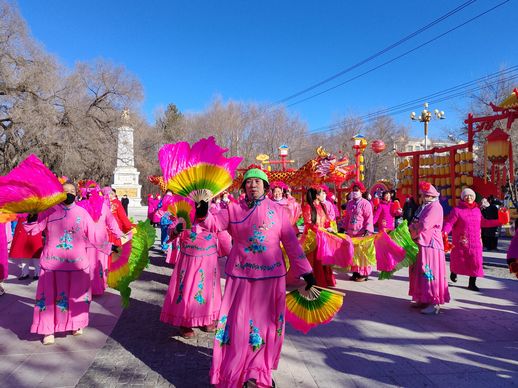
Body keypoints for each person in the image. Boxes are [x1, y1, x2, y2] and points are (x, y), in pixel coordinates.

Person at [209, 168, 315, 388]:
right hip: (241, 276)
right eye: (249, 182)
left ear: (266, 186)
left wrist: (306, 270)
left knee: (266, 325)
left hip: (271, 277)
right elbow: (212, 224)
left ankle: (258, 374)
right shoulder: (233, 209)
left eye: (257, 181)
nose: (253, 185)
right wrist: (202, 210)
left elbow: (291, 243)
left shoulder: (278, 211)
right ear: (243, 187)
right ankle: (236, 370)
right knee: (238, 323)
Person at [25, 182, 98, 345]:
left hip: (77, 263)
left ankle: (76, 324)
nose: (69, 194)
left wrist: (114, 246)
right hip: (52, 262)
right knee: (49, 298)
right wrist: (32, 214)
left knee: (76, 297)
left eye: (72, 191)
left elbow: (95, 237)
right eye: (65, 191)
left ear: (77, 194)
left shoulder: (83, 213)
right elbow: (33, 230)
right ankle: (47, 330)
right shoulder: (48, 211)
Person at [160, 201, 222, 338]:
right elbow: (172, 229)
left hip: (209, 256)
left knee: (207, 288)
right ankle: (185, 321)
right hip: (189, 256)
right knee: (188, 287)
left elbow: (217, 226)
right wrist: (176, 230)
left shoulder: (214, 209)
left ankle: (206, 318)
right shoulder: (183, 208)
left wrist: (204, 213)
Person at [443, 188, 501, 292]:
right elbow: (450, 223)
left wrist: (498, 221)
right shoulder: (457, 210)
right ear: (462, 197)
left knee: (476, 262)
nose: (468, 197)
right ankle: (454, 272)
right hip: (462, 242)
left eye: (471, 196)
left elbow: (484, 222)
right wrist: (445, 232)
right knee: (458, 259)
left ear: (474, 197)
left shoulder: (477, 210)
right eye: (466, 196)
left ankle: (472, 283)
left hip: (476, 243)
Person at [408, 181, 450, 315]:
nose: (423, 197)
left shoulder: (435, 207)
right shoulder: (425, 207)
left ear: (431, 195)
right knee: (420, 270)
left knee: (429, 271)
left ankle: (434, 301)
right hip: (421, 242)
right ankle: (422, 297)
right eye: (422, 195)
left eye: (425, 195)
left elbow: (425, 224)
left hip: (431, 244)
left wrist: (411, 231)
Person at [301, 187, 336, 287]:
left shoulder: (323, 206)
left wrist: (329, 227)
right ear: (316, 195)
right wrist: (320, 230)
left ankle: (325, 280)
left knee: (324, 260)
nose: (324, 194)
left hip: (323, 237)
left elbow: (327, 220)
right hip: (313, 239)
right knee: (316, 261)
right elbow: (308, 223)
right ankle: (316, 281)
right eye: (322, 193)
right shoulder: (308, 207)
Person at [341, 181, 374, 281]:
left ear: (361, 191)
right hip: (351, 234)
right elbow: (347, 217)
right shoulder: (350, 203)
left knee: (362, 255)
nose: (354, 192)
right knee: (354, 254)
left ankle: (363, 274)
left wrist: (368, 230)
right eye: (353, 190)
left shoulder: (365, 203)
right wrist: (343, 227)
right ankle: (355, 272)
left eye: (356, 190)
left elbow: (369, 218)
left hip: (361, 233)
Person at [9, 214, 43, 280]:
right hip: (23, 227)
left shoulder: (39, 207)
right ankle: (25, 273)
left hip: (35, 226)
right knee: (23, 252)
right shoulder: (22, 207)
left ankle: (37, 273)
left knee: (36, 253)